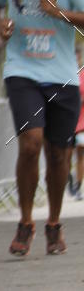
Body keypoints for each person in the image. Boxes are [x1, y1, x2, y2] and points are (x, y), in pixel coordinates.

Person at [0, 0, 84, 256]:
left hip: (62, 75)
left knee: (59, 155)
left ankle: (54, 224)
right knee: (31, 144)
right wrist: (1, 26)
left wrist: (61, 15)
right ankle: (25, 222)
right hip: (21, 70)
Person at [67, 45, 84, 200]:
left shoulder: (82, 75)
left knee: (81, 152)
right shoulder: (64, 75)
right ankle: (69, 181)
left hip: (81, 122)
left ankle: (78, 186)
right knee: (66, 155)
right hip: (66, 121)